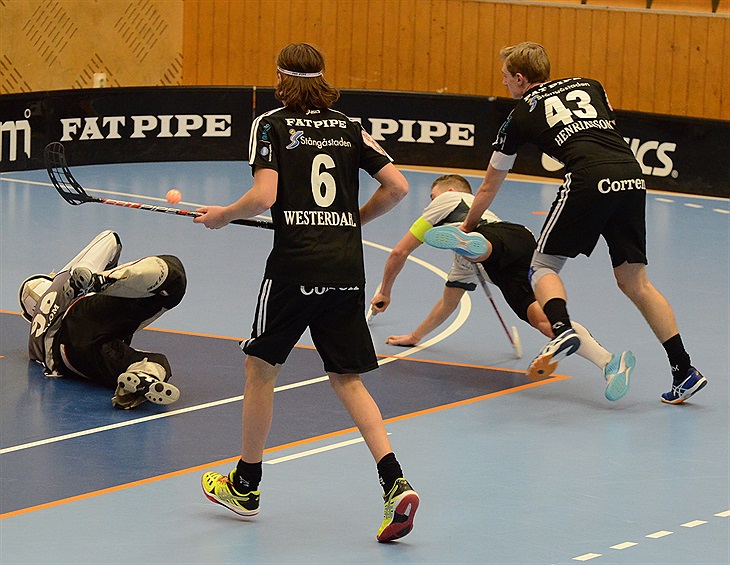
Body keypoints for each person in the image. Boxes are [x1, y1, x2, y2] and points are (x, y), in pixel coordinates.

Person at [194, 43, 418, 542]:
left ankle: (245, 485)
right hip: (345, 266)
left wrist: (222, 216)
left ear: (280, 79)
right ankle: (394, 482)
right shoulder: (350, 126)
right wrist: (351, 222)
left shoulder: (270, 125)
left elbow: (264, 196)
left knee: (260, 368)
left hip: (294, 267)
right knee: (348, 379)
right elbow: (399, 187)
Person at [426, 42, 706, 405]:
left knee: (542, 266)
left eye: (506, 77)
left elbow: (490, 184)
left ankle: (561, 329)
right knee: (635, 281)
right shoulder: (591, 84)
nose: (504, 84)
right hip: (632, 175)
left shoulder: (520, 114)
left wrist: (468, 226)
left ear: (521, 78)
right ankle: (684, 370)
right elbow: (604, 131)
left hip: (588, 177)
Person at [371, 174, 634, 400]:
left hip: (497, 238)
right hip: (515, 257)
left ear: (448, 190)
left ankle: (474, 245)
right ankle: (610, 363)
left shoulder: (450, 199)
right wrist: (415, 336)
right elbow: (448, 303)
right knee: (544, 322)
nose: (430, 202)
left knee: (483, 246)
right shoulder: (461, 263)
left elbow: (399, 252)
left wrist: (384, 291)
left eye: (432, 196)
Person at [19, 230, 186, 409]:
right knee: (174, 277)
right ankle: (104, 280)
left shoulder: (35, 346)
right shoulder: (61, 282)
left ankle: (141, 380)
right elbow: (110, 239)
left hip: (70, 360)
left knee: (154, 360)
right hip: (80, 316)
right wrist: (99, 276)